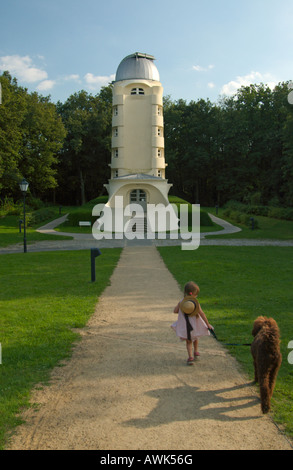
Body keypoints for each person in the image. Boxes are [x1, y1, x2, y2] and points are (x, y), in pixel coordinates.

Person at [171, 281, 213, 365]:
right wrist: (207, 324)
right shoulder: (196, 302)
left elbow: (175, 311)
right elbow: (202, 313)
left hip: (185, 326)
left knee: (188, 341)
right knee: (196, 337)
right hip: (195, 326)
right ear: (194, 294)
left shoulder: (182, 302)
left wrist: (182, 309)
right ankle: (196, 351)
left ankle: (190, 357)